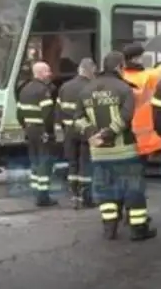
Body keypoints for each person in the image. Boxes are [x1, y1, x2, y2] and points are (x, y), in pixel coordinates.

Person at [75, 51, 157, 241]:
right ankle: (138, 230)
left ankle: (109, 229)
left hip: (99, 153)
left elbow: (77, 118)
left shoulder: (86, 90)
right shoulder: (123, 88)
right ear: (120, 66)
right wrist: (108, 133)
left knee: (105, 190)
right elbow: (126, 117)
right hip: (125, 152)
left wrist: (92, 134)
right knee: (133, 190)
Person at [16, 61, 58, 207]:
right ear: (40, 73)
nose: (50, 74)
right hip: (41, 131)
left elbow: (19, 114)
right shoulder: (43, 90)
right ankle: (43, 197)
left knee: (34, 161)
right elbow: (47, 115)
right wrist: (49, 132)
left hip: (29, 129)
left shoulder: (24, 89)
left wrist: (25, 127)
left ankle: (36, 192)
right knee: (44, 163)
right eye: (47, 71)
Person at [57, 57, 96, 208]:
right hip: (86, 130)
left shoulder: (65, 87)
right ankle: (86, 197)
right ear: (90, 70)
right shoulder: (92, 87)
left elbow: (58, 110)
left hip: (69, 130)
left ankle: (74, 194)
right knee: (85, 163)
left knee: (72, 163)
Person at [120, 44, 161, 164]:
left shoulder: (120, 77)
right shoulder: (147, 77)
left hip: (125, 137)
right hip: (148, 140)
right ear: (135, 59)